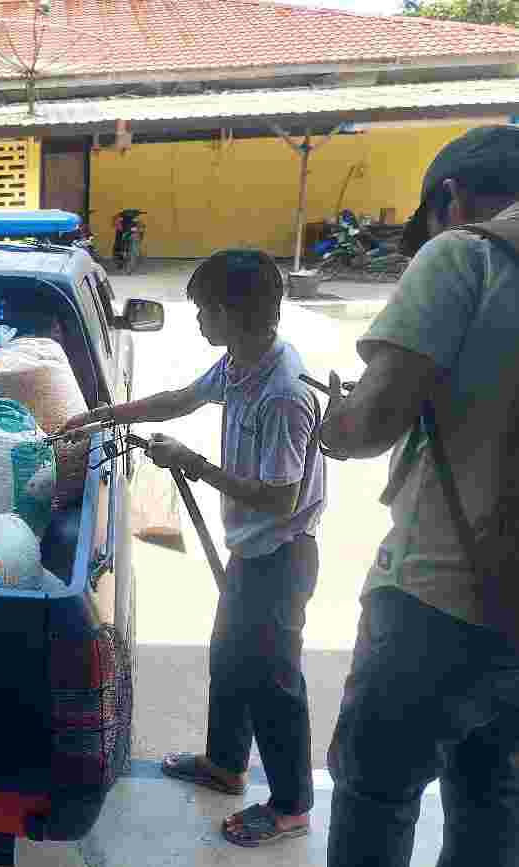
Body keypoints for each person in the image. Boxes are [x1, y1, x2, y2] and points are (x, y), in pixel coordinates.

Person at [61, 249, 326, 846]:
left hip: (281, 556)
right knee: (229, 660)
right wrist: (106, 415)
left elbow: (281, 498)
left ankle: (291, 807)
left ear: (232, 313)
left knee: (272, 680)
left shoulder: (283, 392)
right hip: (253, 551)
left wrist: (193, 463)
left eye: (205, 309)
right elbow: (182, 399)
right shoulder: (240, 363)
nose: (199, 320)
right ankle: (225, 765)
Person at [319, 125, 519, 867]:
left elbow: (371, 423)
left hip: (440, 603)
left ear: (451, 199)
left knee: (376, 795)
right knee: (493, 798)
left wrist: (338, 422)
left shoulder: (466, 256)